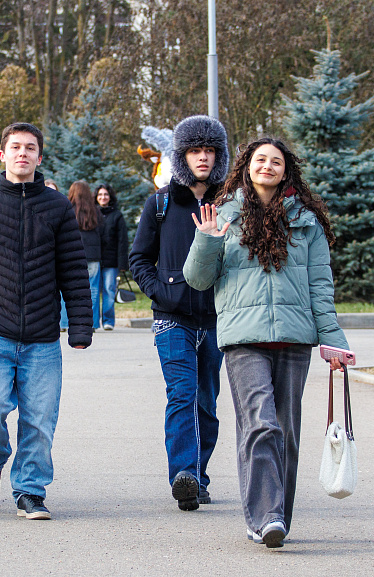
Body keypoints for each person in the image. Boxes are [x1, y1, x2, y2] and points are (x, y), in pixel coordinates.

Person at [183, 137, 349, 548]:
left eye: (276, 161)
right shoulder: (223, 216)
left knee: (286, 432)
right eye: (260, 159)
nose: (268, 166)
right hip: (244, 339)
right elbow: (198, 280)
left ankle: (278, 518)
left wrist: (333, 341)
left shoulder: (306, 220)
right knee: (261, 423)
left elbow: (320, 286)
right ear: (246, 166)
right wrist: (207, 239)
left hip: (295, 339)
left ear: (286, 170)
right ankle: (265, 515)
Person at [0, 122, 92, 520]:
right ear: (2, 154)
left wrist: (80, 326)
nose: (22, 154)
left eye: (30, 148)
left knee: (40, 419)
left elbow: (74, 271)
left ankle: (30, 490)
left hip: (44, 335)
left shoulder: (58, 207)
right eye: (15, 147)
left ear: (39, 157)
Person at [129, 115, 229, 511]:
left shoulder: (231, 203)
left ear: (218, 156)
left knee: (207, 402)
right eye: (194, 150)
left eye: (209, 151)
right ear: (181, 155)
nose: (202, 158)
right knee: (182, 394)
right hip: (172, 320)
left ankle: (199, 476)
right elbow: (138, 257)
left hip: (218, 320)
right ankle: (183, 476)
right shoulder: (160, 202)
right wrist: (159, 293)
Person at [60, 180, 103, 332]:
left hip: (71, 254)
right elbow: (102, 234)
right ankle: (91, 324)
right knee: (92, 290)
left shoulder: (67, 210)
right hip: (93, 255)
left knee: (67, 290)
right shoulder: (96, 211)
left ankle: (64, 323)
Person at [95, 183, 128, 331]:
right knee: (93, 291)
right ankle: (93, 321)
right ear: (96, 197)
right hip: (94, 260)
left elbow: (123, 241)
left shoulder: (117, 215)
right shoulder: (92, 213)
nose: (103, 197)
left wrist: (122, 264)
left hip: (111, 260)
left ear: (110, 197)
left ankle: (108, 321)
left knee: (109, 289)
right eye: (100, 195)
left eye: (106, 195)